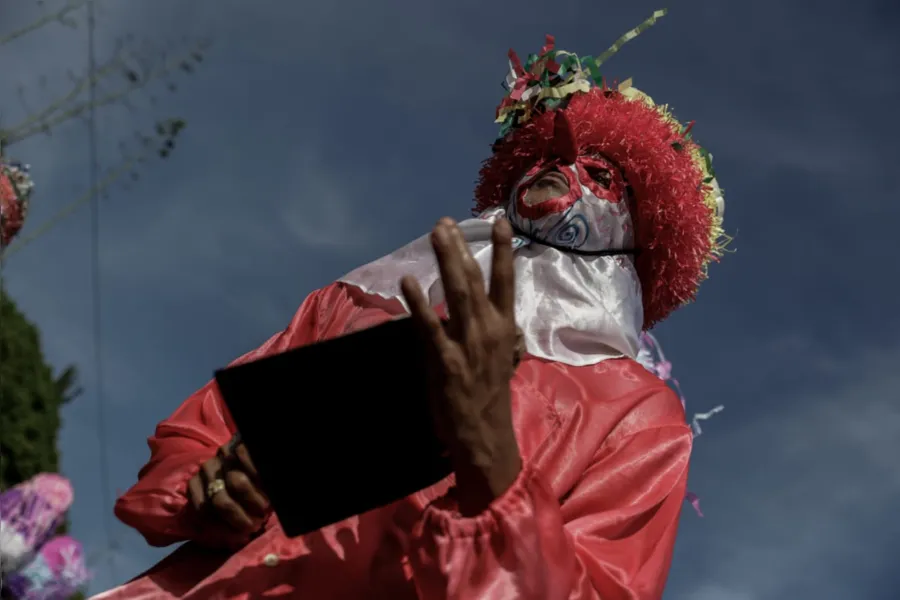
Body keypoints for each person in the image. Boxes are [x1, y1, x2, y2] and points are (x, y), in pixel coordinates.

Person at [93, 11, 727, 600]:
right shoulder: (358, 301)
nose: (565, 164)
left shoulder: (640, 415)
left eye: (603, 173)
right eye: (552, 156)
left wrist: (494, 470)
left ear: (638, 233)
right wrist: (210, 488)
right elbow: (200, 431)